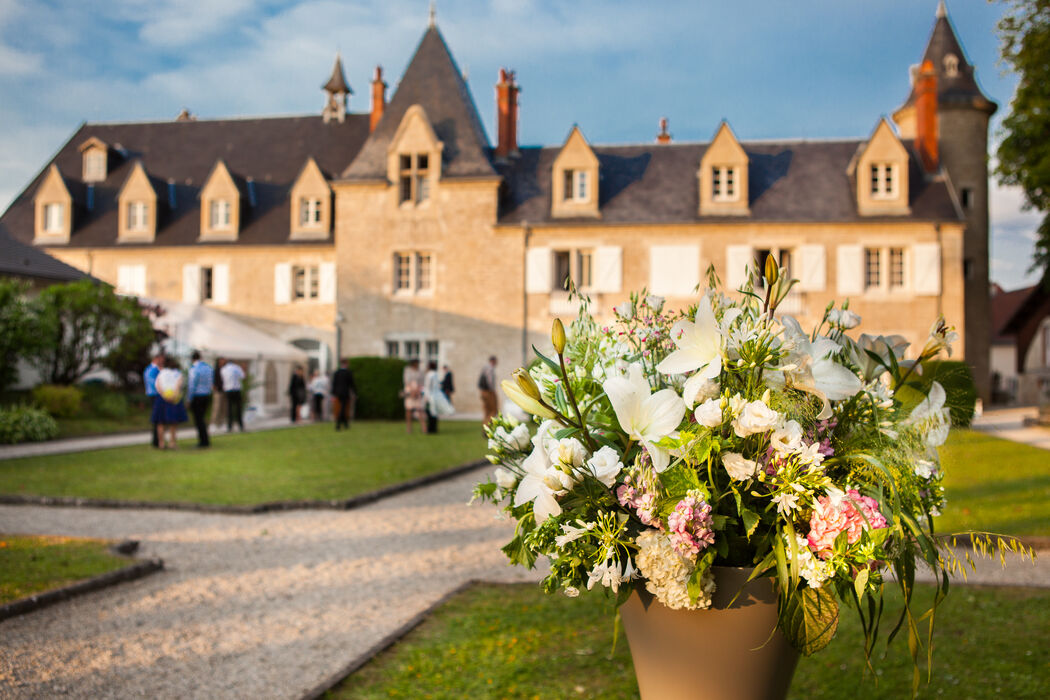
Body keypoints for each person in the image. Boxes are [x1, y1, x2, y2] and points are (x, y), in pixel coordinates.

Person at [153, 355, 188, 449]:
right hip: (174, 398)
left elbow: (157, 386)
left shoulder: (161, 373)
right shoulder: (178, 373)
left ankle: (161, 443)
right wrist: (173, 396)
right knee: (173, 422)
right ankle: (172, 442)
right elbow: (179, 385)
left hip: (162, 398)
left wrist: (164, 395)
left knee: (160, 422)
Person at [187, 351, 214, 448]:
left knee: (198, 420)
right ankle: (205, 439)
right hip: (206, 395)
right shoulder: (208, 368)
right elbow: (211, 381)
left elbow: (192, 385)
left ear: (192, 359)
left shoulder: (194, 369)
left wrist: (189, 399)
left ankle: (203, 441)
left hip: (197, 396)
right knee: (202, 418)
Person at [424, 360, 454, 434]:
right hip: (436, 395)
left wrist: (426, 396)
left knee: (430, 412)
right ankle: (434, 428)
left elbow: (428, 386)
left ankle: (431, 429)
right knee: (434, 412)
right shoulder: (436, 374)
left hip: (431, 396)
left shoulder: (429, 375)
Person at [143, 353, 163, 448]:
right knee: (157, 419)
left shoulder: (148, 369)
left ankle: (157, 440)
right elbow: (155, 383)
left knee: (157, 419)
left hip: (153, 394)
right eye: (161, 359)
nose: (162, 361)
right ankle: (157, 441)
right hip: (155, 395)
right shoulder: (153, 370)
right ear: (156, 359)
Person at [331, 359, 357, 431]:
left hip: (338, 393)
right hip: (345, 393)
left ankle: (345, 424)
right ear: (346, 364)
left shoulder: (337, 373)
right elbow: (352, 384)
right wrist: (355, 393)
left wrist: (333, 394)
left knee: (342, 407)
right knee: (343, 408)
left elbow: (334, 384)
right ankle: (338, 423)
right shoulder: (348, 373)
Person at [402, 358, 426, 434]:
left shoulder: (420, 371)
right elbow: (406, 381)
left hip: (418, 391)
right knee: (409, 409)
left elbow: (422, 382)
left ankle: (424, 428)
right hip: (410, 390)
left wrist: (418, 390)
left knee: (420, 409)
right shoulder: (407, 370)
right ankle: (409, 428)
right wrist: (412, 391)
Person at [221, 359, 246, 432]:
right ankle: (241, 426)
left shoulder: (223, 369)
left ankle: (229, 427)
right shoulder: (237, 368)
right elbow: (243, 376)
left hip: (228, 390)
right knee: (238, 408)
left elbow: (223, 379)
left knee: (229, 409)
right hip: (237, 390)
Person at [478, 355, 499, 426]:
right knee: (493, 410)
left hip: (483, 391)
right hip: (489, 392)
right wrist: (492, 390)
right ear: (493, 361)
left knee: (486, 411)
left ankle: (485, 426)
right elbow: (490, 381)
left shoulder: (485, 368)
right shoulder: (490, 368)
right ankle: (488, 426)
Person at [212, 357, 227, 429]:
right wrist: (214, 387)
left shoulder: (226, 369)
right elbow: (213, 380)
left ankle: (221, 423)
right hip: (217, 391)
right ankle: (213, 423)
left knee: (223, 408)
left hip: (225, 390)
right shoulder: (216, 370)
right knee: (216, 407)